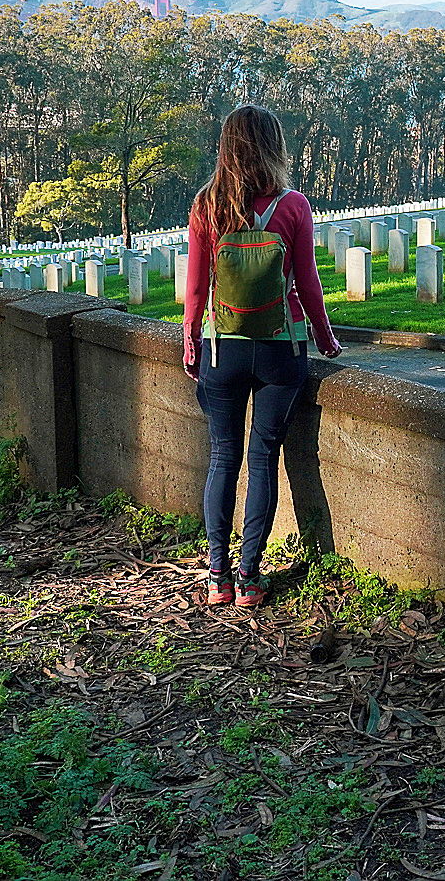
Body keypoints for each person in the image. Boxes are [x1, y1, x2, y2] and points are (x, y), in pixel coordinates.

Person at [182, 104, 341, 609]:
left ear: (226, 147)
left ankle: (217, 576)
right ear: (274, 145)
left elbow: (196, 286)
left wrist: (191, 339)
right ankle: (250, 576)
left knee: (222, 458)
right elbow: (308, 281)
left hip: (222, 347)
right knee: (263, 458)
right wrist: (324, 336)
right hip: (281, 348)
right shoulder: (293, 206)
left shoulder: (207, 204)